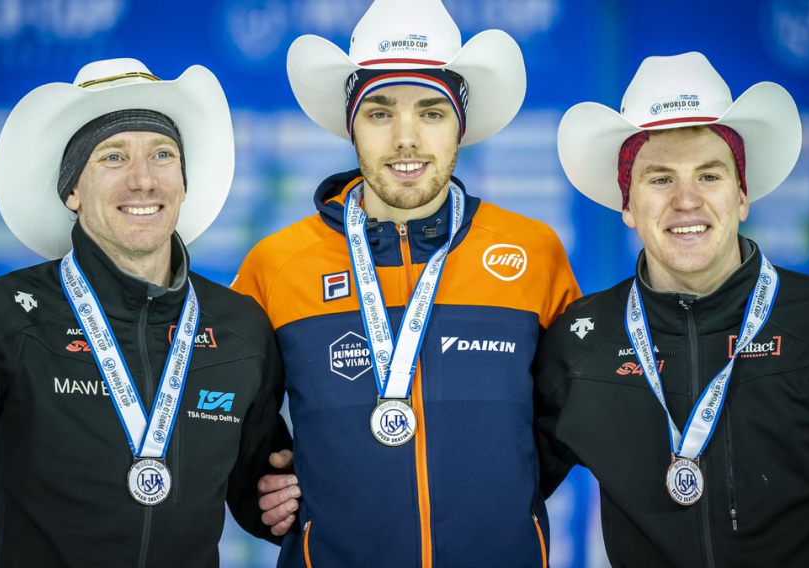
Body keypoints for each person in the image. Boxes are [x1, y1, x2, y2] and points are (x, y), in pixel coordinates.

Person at [0, 58, 293, 567]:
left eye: (162, 154)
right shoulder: (9, 315)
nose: (143, 181)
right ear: (72, 191)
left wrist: (282, 501)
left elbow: (261, 495)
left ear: (183, 182)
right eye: (113, 158)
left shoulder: (239, 327)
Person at [233, 0, 581, 566]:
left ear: (459, 127)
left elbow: (568, 415)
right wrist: (263, 489)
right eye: (379, 113)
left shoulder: (532, 252)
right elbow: (230, 412)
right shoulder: (277, 263)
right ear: (352, 126)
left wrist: (497, 493)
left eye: (431, 112)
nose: (406, 139)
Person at [535, 51, 809, 567]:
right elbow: (497, 498)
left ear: (742, 195)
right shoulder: (583, 341)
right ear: (627, 206)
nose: (686, 201)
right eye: (659, 179)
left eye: (709, 175)